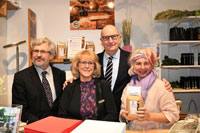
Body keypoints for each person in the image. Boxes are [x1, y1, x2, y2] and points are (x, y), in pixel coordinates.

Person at [98, 25, 172, 115]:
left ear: (119, 38)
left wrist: (163, 83)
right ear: (101, 40)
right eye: (106, 38)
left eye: (114, 36)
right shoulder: (94, 60)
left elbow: (146, 73)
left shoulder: (132, 58)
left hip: (126, 112)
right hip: (101, 114)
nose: (110, 41)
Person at [120, 48, 179, 129]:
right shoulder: (129, 87)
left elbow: (173, 115)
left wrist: (150, 116)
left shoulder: (162, 87)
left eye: (146, 63)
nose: (142, 67)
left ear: (152, 65)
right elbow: (123, 110)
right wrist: (124, 115)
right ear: (133, 66)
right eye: (138, 63)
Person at [12, 37, 66, 124]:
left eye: (43, 51)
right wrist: (41, 125)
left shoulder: (60, 75)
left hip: (57, 126)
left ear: (51, 55)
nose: (38, 55)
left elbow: (62, 104)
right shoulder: (21, 77)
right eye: (36, 51)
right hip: (34, 127)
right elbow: (20, 109)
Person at [58, 49, 118, 122]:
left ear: (94, 66)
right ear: (77, 65)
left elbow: (112, 115)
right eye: (83, 62)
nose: (87, 66)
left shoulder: (104, 85)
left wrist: (94, 127)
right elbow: (62, 115)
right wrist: (80, 126)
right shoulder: (69, 87)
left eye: (90, 63)